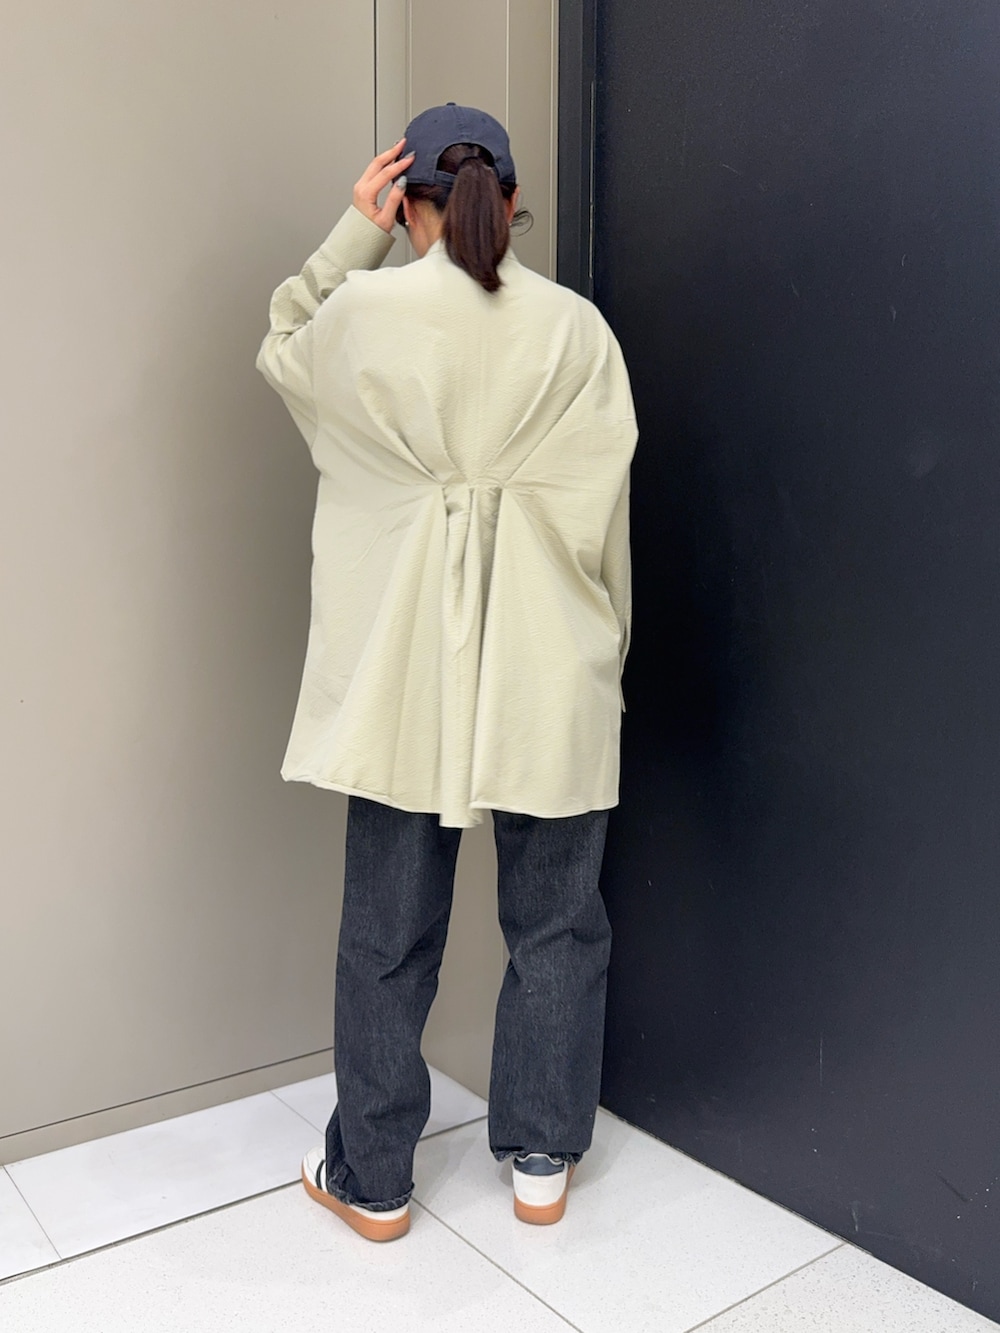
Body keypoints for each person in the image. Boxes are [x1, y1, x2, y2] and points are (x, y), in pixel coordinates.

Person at [257, 103, 637, 1242]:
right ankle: (541, 1161)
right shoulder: (577, 331)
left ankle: (372, 1179)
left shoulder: (363, 315)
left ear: (405, 201)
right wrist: (606, 656)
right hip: (548, 666)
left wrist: (351, 235)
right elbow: (607, 522)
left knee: (387, 931)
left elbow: (283, 341)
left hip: (407, 675)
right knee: (558, 921)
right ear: (510, 202)